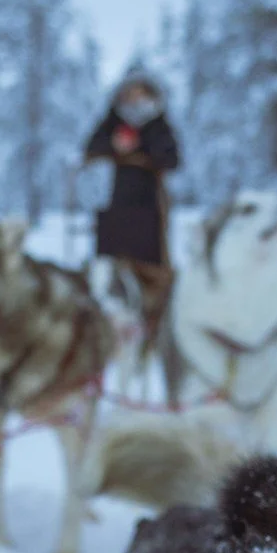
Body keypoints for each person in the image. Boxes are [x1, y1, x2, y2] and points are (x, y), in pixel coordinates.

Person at [84, 73, 182, 373]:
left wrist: (138, 147)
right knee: (109, 266)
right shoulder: (113, 121)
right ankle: (107, 326)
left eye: (140, 96)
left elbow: (172, 158)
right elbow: (91, 147)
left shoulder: (159, 124)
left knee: (152, 271)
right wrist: (115, 145)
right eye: (130, 96)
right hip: (117, 208)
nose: (134, 102)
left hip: (151, 208)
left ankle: (153, 327)